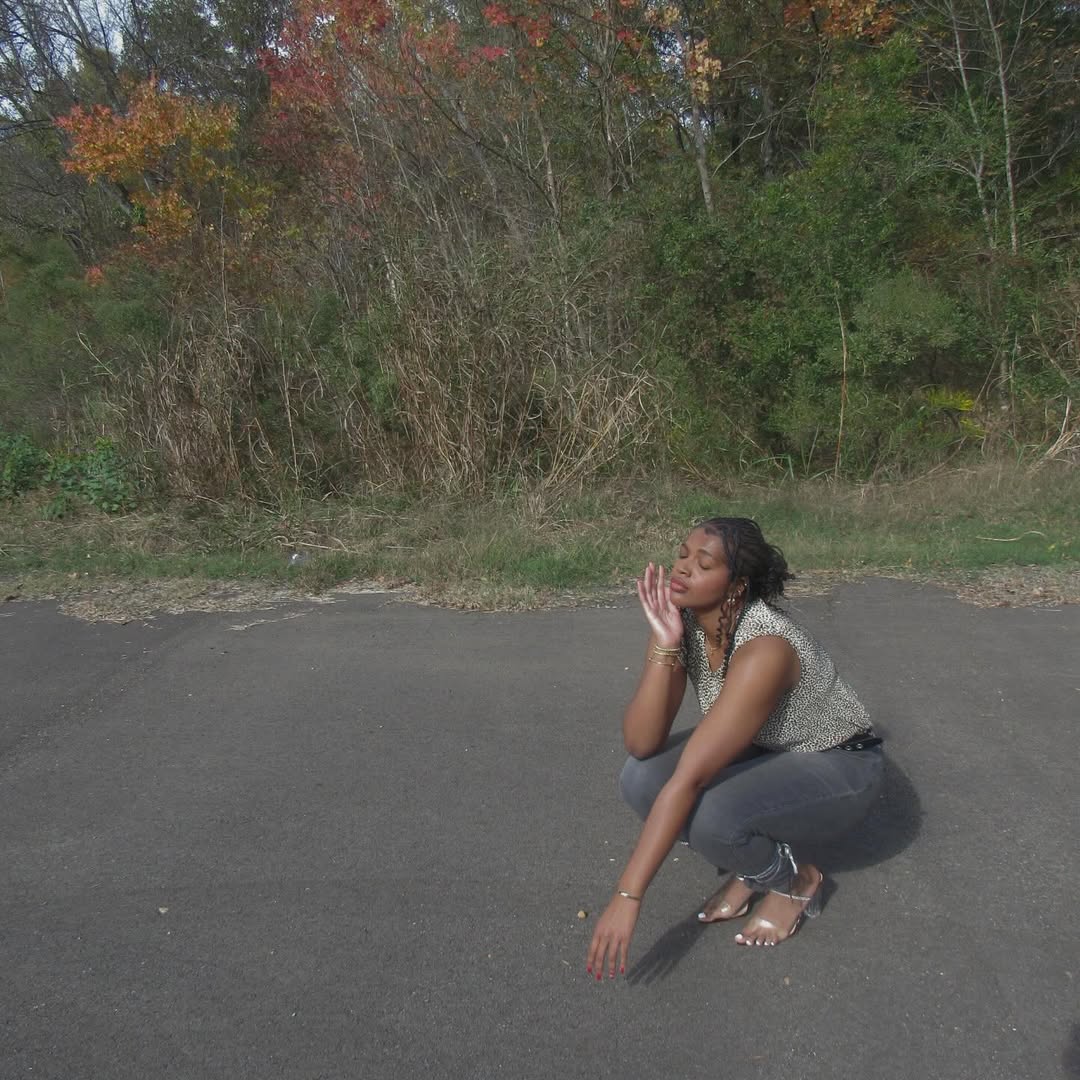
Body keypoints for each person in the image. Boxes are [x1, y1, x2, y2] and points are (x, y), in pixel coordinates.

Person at [586, 517, 883, 980]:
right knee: (640, 779)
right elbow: (641, 742)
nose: (682, 568)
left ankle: (795, 882)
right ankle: (754, 864)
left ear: (737, 585)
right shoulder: (684, 619)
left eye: (703, 564)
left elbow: (690, 780)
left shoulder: (766, 647)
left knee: (715, 816)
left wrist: (628, 896)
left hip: (839, 762)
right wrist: (665, 644)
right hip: (766, 746)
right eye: (682, 555)